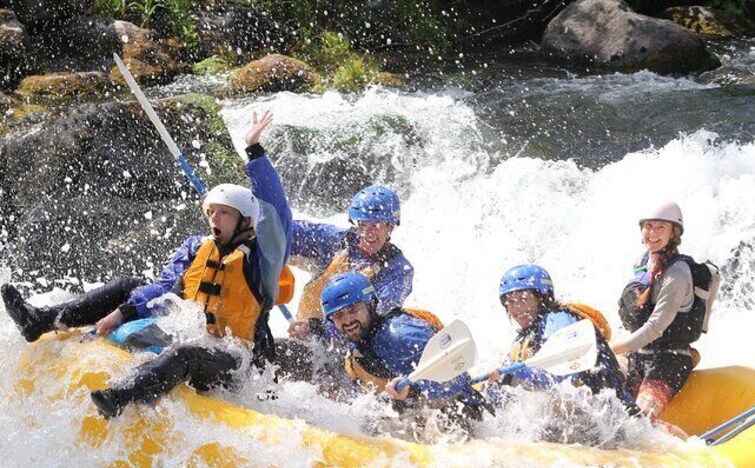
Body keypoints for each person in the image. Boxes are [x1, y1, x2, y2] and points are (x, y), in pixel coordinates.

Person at [2, 110, 294, 418]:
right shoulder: (196, 248)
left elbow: (277, 213)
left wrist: (254, 151)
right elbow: (163, 288)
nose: (214, 219)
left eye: (224, 213)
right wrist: (122, 312)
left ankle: (122, 396)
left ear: (245, 221)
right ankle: (43, 321)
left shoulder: (262, 259)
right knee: (129, 286)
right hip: (196, 335)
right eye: (212, 212)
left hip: (237, 360)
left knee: (183, 355)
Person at [273, 185, 413, 384]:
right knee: (271, 351)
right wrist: (254, 224)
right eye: (363, 224)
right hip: (310, 345)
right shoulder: (338, 243)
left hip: (353, 360)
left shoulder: (398, 271)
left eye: (377, 225)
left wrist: (315, 328)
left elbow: (371, 322)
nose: (369, 232)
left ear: (390, 226)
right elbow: (289, 232)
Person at [320, 272, 485, 424]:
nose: (347, 320)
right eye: (339, 315)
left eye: (353, 310)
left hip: (460, 414)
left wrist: (412, 390)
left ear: (370, 305)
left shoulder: (402, 334)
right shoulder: (357, 345)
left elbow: (456, 376)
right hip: (415, 417)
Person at [610, 201, 714, 421]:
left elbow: (656, 327)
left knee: (639, 421)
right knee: (610, 410)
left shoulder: (678, 273)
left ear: (673, 233)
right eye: (648, 226)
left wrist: (612, 349)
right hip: (640, 356)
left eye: (660, 228)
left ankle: (693, 448)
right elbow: (634, 313)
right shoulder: (642, 262)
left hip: (670, 361)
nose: (653, 233)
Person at [483, 264, 635, 412]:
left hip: (612, 413)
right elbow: (506, 377)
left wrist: (516, 373)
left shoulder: (560, 321)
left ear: (541, 297)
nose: (517, 308)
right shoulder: (525, 339)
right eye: (510, 302)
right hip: (586, 414)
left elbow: (560, 377)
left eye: (523, 299)